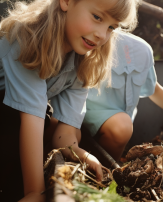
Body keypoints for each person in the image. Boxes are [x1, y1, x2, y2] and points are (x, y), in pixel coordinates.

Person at [0, 0, 138, 201]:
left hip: (14, 118)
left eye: (111, 27)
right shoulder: (27, 38)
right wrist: (34, 191)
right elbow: (31, 117)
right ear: (66, 2)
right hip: (7, 114)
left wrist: (80, 153)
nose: (102, 34)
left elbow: (64, 134)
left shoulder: (82, 60)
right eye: (97, 17)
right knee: (40, 118)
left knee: (54, 123)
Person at [81, 31, 163, 162]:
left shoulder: (141, 50)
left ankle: (106, 170)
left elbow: (155, 89)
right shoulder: (92, 34)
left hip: (114, 130)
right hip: (79, 116)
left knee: (122, 126)